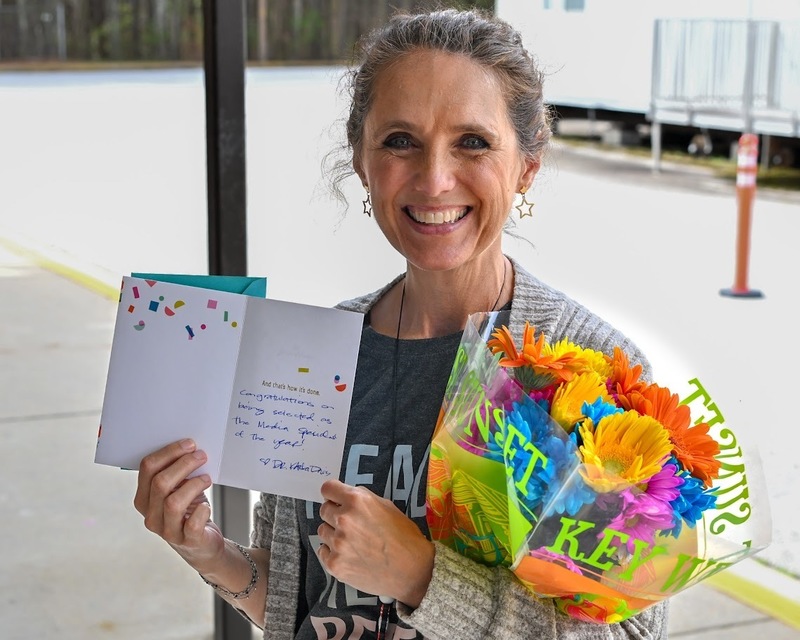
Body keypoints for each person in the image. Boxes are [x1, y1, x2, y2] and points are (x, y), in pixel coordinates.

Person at [134, 8, 668, 639]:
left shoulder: (594, 368)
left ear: (527, 164)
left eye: (472, 142)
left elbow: (631, 632)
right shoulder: (314, 353)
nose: (435, 179)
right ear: (362, 162)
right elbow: (300, 602)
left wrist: (422, 577)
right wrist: (211, 554)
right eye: (399, 141)